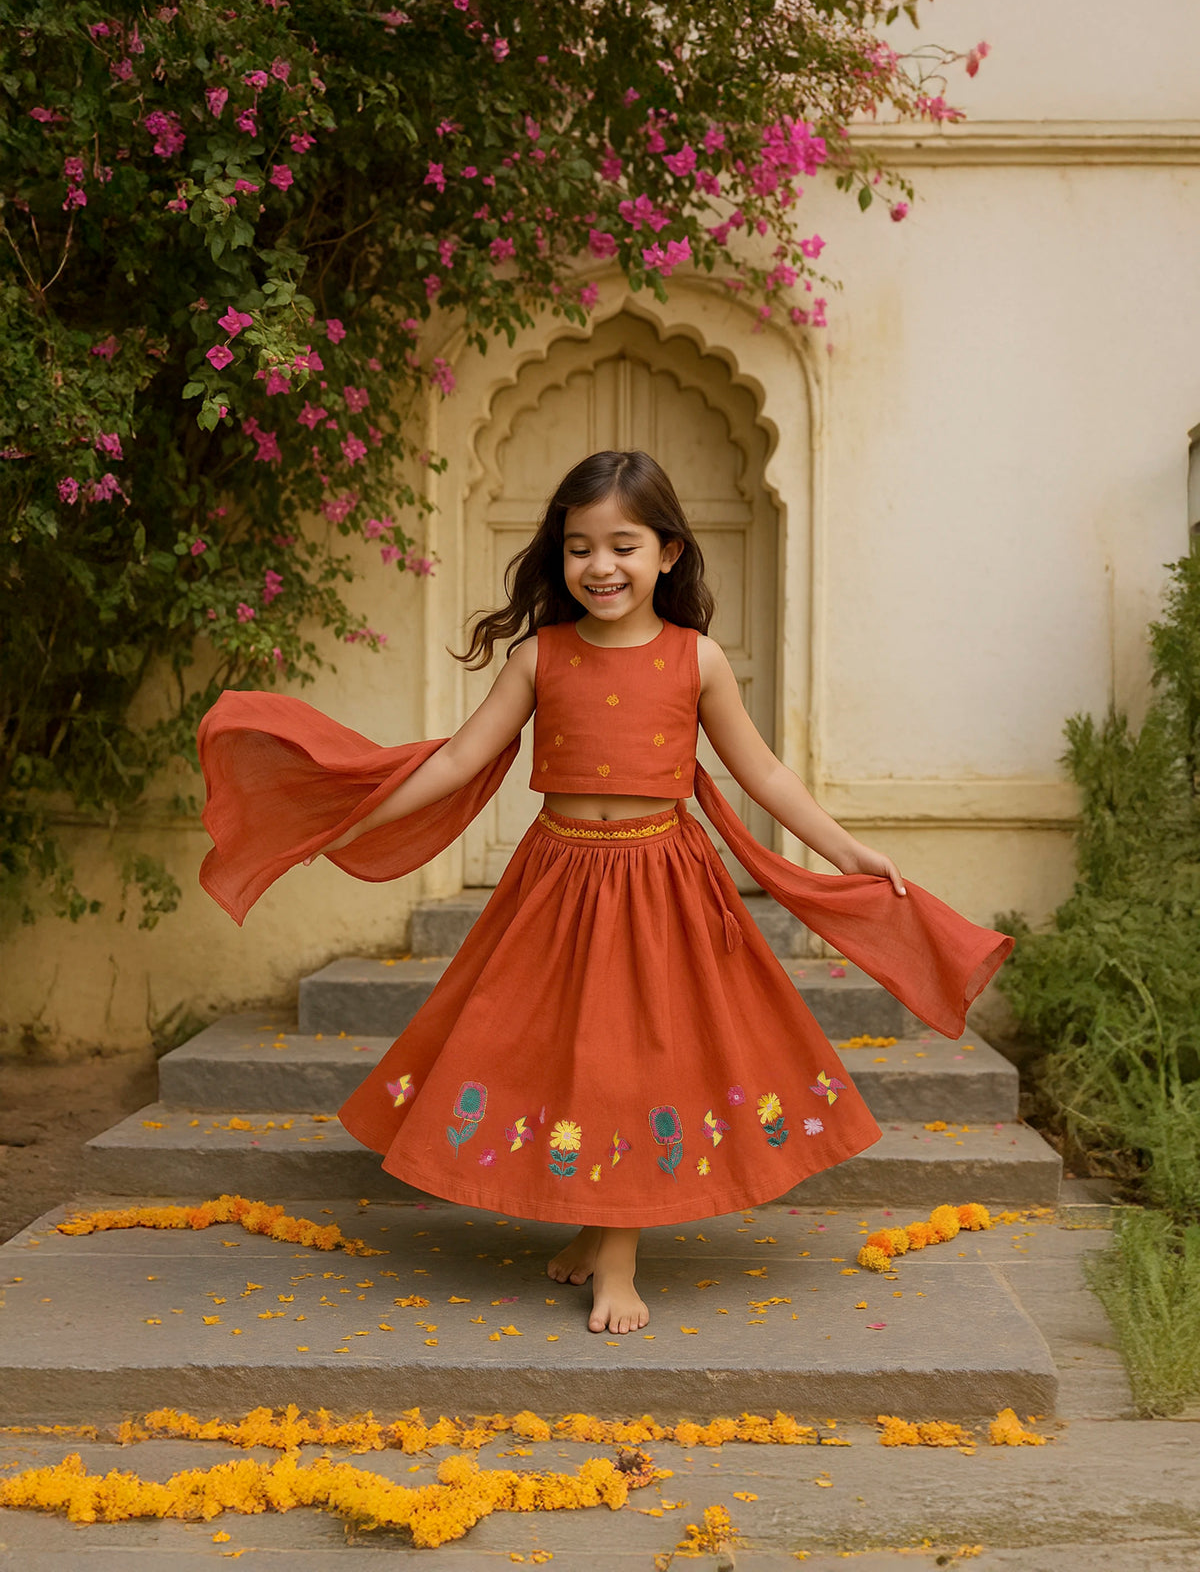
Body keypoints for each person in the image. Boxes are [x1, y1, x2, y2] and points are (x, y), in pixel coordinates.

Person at [197, 449, 1012, 1338]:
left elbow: (764, 775)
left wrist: (844, 848)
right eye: (579, 547)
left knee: (632, 1062)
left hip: (659, 883)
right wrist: (346, 826)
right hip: (557, 881)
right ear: (559, 557)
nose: (600, 566)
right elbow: (463, 760)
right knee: (569, 1053)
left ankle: (617, 1260)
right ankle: (595, 1232)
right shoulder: (539, 657)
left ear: (667, 553)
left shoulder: (695, 659)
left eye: (622, 545)